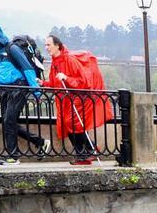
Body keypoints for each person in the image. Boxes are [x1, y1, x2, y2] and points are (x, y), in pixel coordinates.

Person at [0, 25, 49, 165]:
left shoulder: (12, 49)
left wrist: (36, 91)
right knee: (8, 122)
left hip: (19, 88)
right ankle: (40, 142)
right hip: (5, 90)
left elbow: (28, 69)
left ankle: (13, 157)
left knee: (9, 120)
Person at [41, 35, 113, 165]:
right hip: (64, 101)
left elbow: (83, 81)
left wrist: (66, 78)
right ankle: (85, 152)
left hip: (75, 100)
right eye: (45, 45)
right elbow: (54, 83)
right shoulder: (55, 62)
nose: (46, 48)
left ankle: (86, 152)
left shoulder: (69, 60)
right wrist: (43, 83)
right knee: (68, 125)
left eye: (48, 45)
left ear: (57, 45)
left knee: (74, 125)